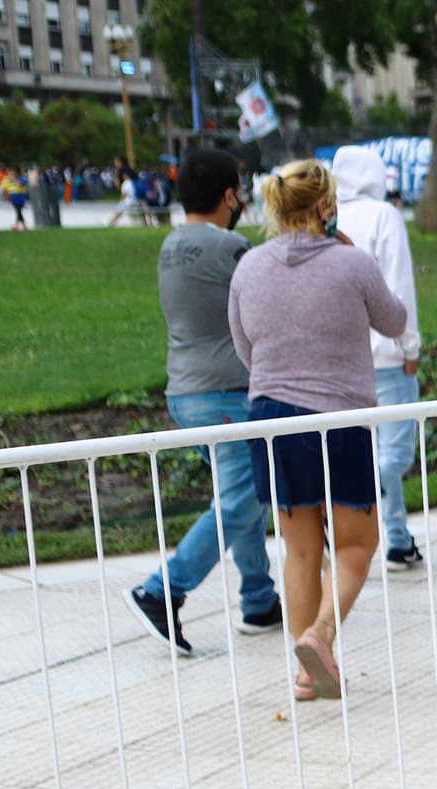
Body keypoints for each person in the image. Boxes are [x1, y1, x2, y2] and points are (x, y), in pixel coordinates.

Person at [228, 158, 408, 701]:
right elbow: (395, 322)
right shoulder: (350, 263)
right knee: (358, 543)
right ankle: (321, 634)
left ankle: (308, 676)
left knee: (301, 550)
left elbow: (243, 347)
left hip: (271, 418)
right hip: (339, 418)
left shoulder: (249, 267)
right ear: (326, 205)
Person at [123, 148, 282, 655]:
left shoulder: (170, 244)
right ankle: (162, 590)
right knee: (244, 498)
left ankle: (259, 599)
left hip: (183, 392)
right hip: (225, 394)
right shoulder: (231, 247)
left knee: (242, 497)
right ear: (230, 195)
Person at [334, 145, 427, 570]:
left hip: (341, 358)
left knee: (371, 450)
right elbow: (398, 286)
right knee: (395, 454)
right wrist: (410, 346)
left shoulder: (329, 217)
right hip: (386, 353)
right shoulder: (382, 215)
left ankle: (396, 538)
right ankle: (341, 500)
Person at [0, 165, 29, 231]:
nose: (11, 173)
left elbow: (21, 184)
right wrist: (6, 196)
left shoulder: (21, 178)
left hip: (21, 196)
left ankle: (19, 225)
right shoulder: (7, 178)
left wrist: (13, 179)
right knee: (18, 210)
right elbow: (4, 188)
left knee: (18, 210)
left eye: (12, 172)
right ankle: (21, 225)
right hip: (13, 196)